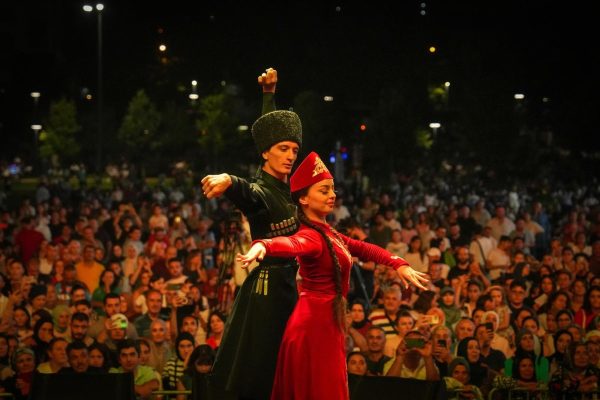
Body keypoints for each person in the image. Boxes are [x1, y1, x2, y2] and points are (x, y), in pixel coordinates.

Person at [237, 151, 428, 400]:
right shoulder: (312, 235)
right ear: (303, 199)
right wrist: (265, 245)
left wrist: (398, 263)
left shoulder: (329, 233)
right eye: (324, 190)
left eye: (332, 189)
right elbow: (293, 244)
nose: (332, 195)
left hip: (326, 320)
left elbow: (364, 248)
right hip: (313, 326)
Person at [201, 67, 304, 400]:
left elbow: (268, 133)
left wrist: (268, 95)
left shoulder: (286, 188)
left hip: (289, 287)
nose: (290, 155)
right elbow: (249, 192)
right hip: (268, 295)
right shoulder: (262, 191)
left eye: (294, 150)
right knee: (262, 370)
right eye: (283, 149)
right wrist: (230, 181)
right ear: (265, 153)